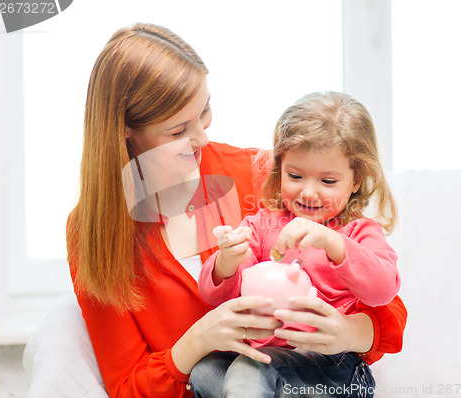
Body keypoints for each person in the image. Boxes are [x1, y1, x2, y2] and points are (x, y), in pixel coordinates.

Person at [66, 23, 407, 398]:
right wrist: (197, 340)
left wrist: (348, 331)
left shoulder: (260, 174)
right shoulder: (94, 232)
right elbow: (128, 386)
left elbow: (385, 304)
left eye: (205, 111)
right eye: (178, 130)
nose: (202, 138)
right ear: (126, 130)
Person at [195, 91, 400, 397]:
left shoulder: (358, 232)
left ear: (356, 180)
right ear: (280, 169)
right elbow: (213, 296)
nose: (308, 192)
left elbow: (384, 289)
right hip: (266, 363)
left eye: (327, 181)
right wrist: (227, 261)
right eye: (295, 175)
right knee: (205, 372)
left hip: (334, 368)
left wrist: (334, 243)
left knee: (249, 373)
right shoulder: (262, 225)